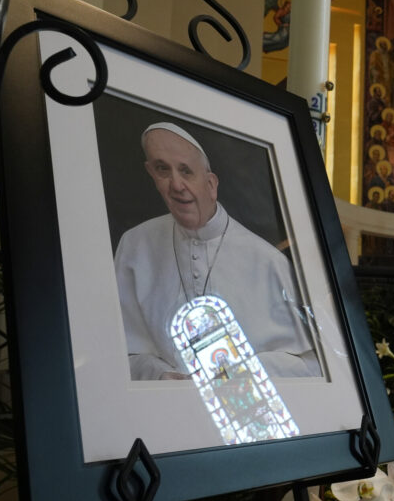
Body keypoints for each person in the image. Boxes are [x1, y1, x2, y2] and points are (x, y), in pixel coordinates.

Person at [115, 122, 322, 381]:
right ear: (151, 173)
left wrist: (238, 373)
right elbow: (113, 351)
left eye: (186, 171)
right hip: (156, 404)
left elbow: (312, 367)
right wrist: (158, 375)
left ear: (211, 184)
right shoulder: (135, 245)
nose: (176, 185)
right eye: (162, 169)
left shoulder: (268, 261)